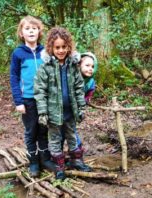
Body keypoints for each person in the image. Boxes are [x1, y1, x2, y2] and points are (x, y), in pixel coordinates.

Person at [34, 27, 91, 180]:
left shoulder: (72, 66)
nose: (60, 50)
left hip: (70, 111)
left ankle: (76, 161)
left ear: (68, 47)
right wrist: (43, 112)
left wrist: (80, 107)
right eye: (57, 47)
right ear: (51, 48)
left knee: (72, 136)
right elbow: (40, 91)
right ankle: (59, 167)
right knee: (55, 139)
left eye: (64, 47)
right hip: (53, 113)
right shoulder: (45, 68)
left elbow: (79, 87)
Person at [10, 16, 55, 178]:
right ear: (22, 33)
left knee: (43, 129)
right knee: (31, 131)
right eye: (27, 28)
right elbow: (14, 77)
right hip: (27, 99)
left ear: (39, 32)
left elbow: (52, 73)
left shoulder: (45, 52)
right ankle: (34, 162)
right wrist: (18, 101)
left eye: (34, 28)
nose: (31, 31)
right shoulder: (18, 53)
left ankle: (45, 159)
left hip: (44, 99)